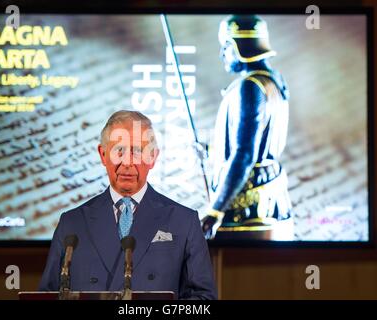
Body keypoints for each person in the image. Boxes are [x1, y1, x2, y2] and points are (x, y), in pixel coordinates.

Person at [39, 110, 217, 300]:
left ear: (153, 157)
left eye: (137, 151)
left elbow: (203, 299)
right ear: (103, 154)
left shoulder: (184, 221)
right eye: (119, 151)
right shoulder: (72, 223)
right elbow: (47, 295)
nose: (127, 162)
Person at [201, 15, 294, 241]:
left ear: (238, 46)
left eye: (225, 46)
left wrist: (215, 211)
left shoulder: (250, 87)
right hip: (273, 195)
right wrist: (211, 153)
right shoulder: (274, 79)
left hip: (247, 209)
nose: (222, 54)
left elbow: (244, 155)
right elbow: (260, 140)